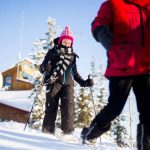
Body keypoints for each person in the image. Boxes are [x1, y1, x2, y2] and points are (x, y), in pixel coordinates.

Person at [81, 0, 150, 149]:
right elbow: (98, 22)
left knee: (148, 111)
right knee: (115, 107)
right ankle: (89, 135)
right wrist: (101, 32)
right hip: (121, 65)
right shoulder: (113, 4)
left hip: (146, 67)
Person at [40, 26, 94, 136]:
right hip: (54, 83)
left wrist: (84, 82)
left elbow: (75, 73)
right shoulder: (52, 52)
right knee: (51, 108)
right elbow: (42, 67)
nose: (67, 44)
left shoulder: (72, 57)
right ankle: (47, 133)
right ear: (60, 41)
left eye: (69, 42)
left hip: (68, 85)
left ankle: (67, 134)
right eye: (65, 41)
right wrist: (46, 67)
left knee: (69, 108)